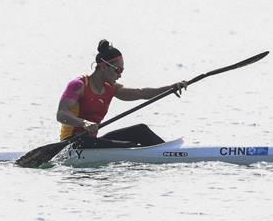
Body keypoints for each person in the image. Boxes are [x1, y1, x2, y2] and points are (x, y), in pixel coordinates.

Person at [56, 39, 187, 148]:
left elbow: (142, 93)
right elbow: (61, 114)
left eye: (122, 70)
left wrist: (171, 88)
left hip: (92, 142)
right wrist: (84, 123)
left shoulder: (111, 88)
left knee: (140, 130)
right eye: (117, 70)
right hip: (73, 142)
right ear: (103, 67)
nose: (120, 75)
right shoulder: (78, 85)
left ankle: (170, 153)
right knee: (128, 145)